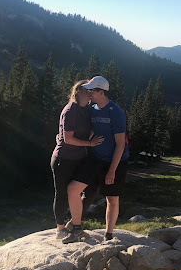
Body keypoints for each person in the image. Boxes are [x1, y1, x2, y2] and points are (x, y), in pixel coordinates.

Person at [62, 75, 129, 243]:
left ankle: (108, 235)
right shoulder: (92, 109)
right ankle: (75, 226)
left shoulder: (116, 112)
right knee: (73, 188)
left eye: (91, 90)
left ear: (100, 92)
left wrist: (112, 171)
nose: (88, 93)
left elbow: (120, 144)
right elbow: (87, 129)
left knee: (111, 199)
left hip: (115, 161)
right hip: (95, 158)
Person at [51, 80, 103, 239]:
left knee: (92, 189)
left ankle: (74, 223)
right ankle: (60, 229)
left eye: (92, 90)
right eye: (88, 90)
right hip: (63, 159)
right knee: (62, 194)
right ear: (79, 90)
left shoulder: (87, 109)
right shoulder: (70, 110)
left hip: (79, 158)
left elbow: (91, 128)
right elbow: (68, 138)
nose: (90, 93)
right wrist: (89, 143)